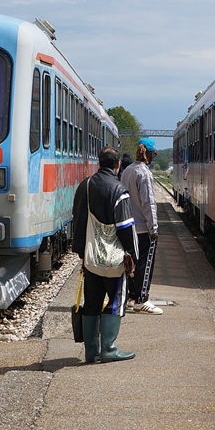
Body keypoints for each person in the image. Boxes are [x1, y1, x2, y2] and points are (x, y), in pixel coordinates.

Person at [70, 147, 138, 363]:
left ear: (99, 163)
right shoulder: (119, 190)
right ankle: (108, 348)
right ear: (117, 165)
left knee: (92, 301)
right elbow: (126, 228)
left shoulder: (85, 186)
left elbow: (78, 220)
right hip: (114, 259)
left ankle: (91, 351)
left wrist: (81, 253)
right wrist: (132, 255)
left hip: (90, 258)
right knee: (117, 300)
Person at [119, 139, 161, 314]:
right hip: (143, 227)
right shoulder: (144, 174)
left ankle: (131, 297)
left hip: (128, 225)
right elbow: (149, 203)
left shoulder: (127, 171)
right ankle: (141, 299)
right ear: (150, 154)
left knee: (131, 264)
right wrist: (154, 228)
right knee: (145, 263)